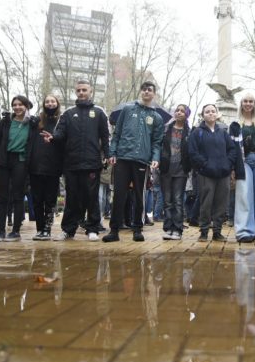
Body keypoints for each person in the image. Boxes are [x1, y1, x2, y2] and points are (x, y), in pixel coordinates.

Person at [45, 82, 110, 241]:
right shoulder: (68, 113)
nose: (81, 93)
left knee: (91, 197)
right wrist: (53, 138)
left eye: (84, 90)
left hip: (92, 163)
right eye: (78, 90)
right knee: (72, 198)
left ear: (91, 92)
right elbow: (60, 133)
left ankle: (92, 228)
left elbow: (105, 136)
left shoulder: (99, 112)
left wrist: (108, 155)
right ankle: (68, 229)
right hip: (72, 164)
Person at [103, 81, 164, 243]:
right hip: (123, 158)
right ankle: (114, 230)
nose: (146, 92)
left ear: (154, 94)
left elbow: (157, 141)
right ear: (140, 92)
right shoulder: (128, 110)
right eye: (144, 89)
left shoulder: (156, 117)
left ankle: (137, 228)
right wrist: (112, 152)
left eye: (149, 90)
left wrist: (155, 158)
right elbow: (117, 133)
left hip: (142, 161)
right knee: (119, 196)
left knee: (139, 196)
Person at [0, 95, 35, 241]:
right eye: (14, 105)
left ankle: (15, 231)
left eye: (20, 104)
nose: (17, 107)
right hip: (3, 161)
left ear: (26, 106)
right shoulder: (5, 122)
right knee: (3, 197)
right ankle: (1, 231)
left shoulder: (32, 123)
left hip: (20, 161)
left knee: (18, 197)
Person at [188, 104, 237, 241]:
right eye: (207, 112)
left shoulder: (223, 133)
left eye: (213, 111)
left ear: (217, 114)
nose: (210, 113)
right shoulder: (197, 132)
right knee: (206, 203)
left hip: (223, 174)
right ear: (203, 115)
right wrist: (204, 165)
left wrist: (227, 165)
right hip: (206, 174)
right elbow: (193, 152)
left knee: (221, 204)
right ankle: (203, 232)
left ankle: (217, 232)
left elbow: (232, 150)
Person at [229, 94, 255, 243]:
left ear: (254, 103)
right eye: (245, 101)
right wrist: (233, 167)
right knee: (244, 194)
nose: (248, 104)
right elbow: (231, 147)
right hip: (243, 161)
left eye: (251, 101)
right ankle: (244, 231)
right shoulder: (235, 124)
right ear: (241, 104)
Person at [28, 95, 63, 240]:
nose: (50, 103)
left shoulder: (61, 121)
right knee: (37, 199)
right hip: (36, 165)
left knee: (50, 200)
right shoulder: (37, 121)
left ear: (57, 103)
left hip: (53, 166)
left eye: (52, 101)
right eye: (47, 101)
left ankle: (47, 229)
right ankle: (39, 229)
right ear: (44, 104)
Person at [160, 104, 191, 240]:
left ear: (187, 115)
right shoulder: (166, 129)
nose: (179, 113)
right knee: (167, 201)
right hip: (166, 169)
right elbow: (159, 145)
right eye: (177, 110)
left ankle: (177, 229)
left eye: (182, 111)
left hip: (181, 170)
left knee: (178, 200)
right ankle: (168, 228)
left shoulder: (189, 132)